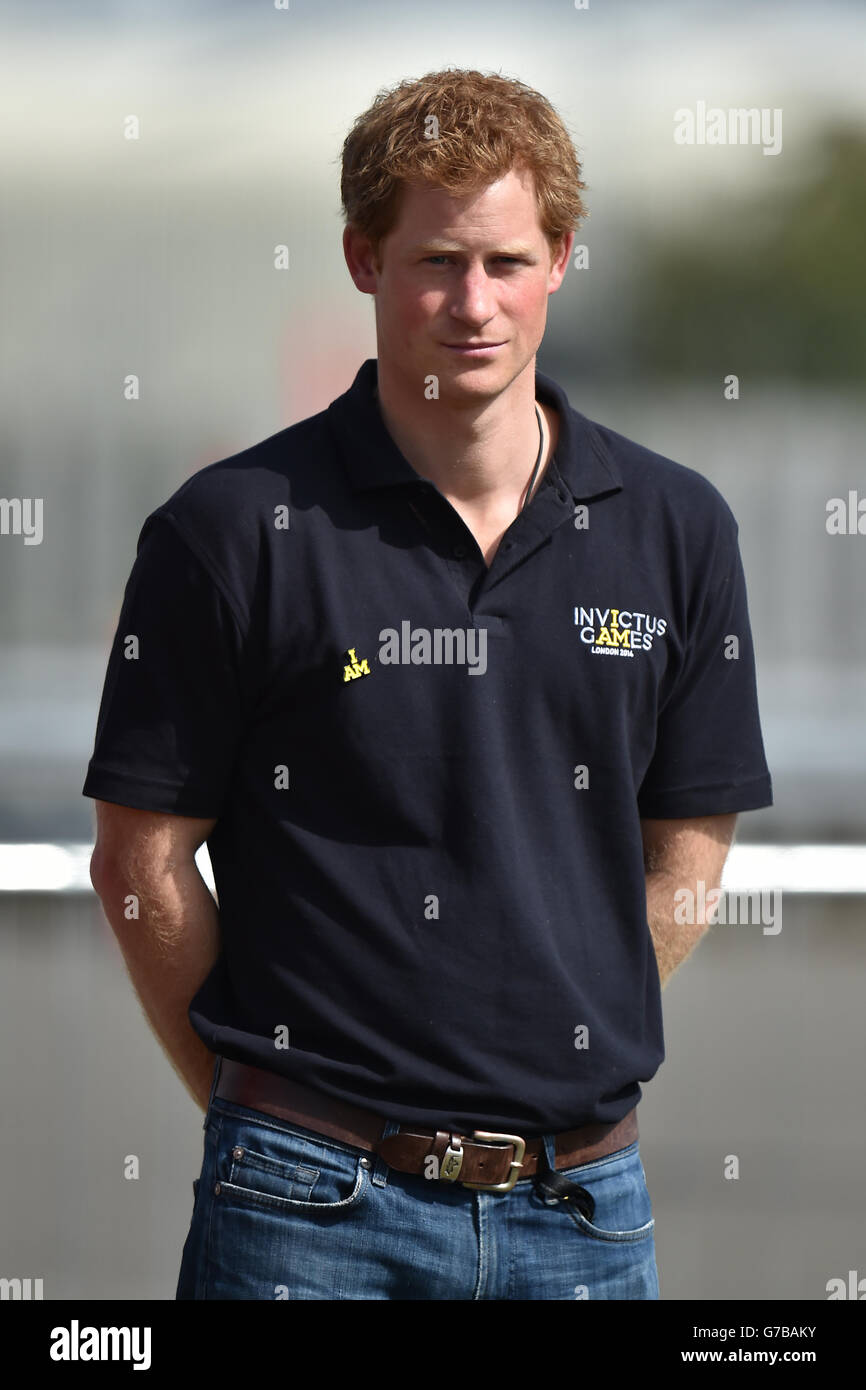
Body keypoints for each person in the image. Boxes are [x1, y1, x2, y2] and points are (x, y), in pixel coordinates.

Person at [83, 68, 773, 1301]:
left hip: (585, 1212)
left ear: (562, 257)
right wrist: (272, 1110)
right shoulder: (232, 529)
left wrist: (549, 1027)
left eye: (507, 261)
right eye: (434, 261)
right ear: (361, 260)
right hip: (303, 1209)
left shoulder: (676, 529)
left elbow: (689, 844)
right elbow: (139, 857)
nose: (472, 304)